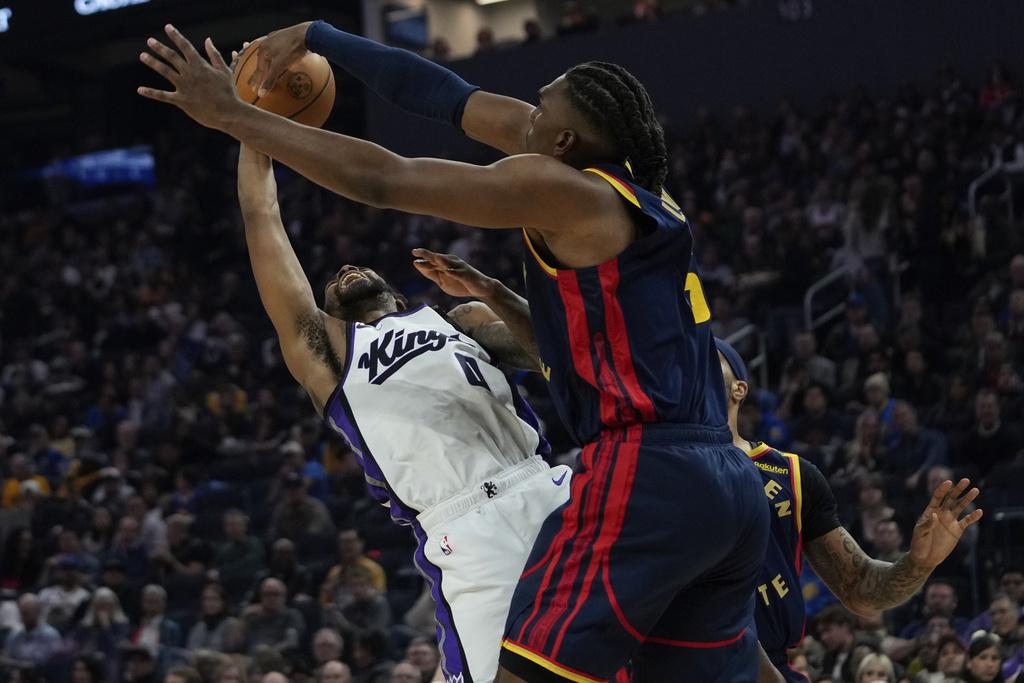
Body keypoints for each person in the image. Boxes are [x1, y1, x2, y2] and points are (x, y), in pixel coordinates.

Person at [139, 24, 769, 680]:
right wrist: (316, 35)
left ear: (565, 142)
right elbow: (445, 95)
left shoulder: (531, 232)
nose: (527, 112)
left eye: (542, 107)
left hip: (619, 476)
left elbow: (384, 178)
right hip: (685, 482)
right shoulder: (632, 189)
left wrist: (234, 114)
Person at [168, 131, 568, 683]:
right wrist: (252, 123)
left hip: (544, 487)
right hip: (463, 526)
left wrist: (493, 292)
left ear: (398, 297)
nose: (343, 269)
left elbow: (559, 350)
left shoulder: (456, 320)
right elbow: (262, 215)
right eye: (330, 282)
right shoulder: (329, 356)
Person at [712, 338, 983, 682]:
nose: (694, 364)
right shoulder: (658, 470)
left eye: (707, 357)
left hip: (768, 665)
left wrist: (918, 563)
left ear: (739, 388)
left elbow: (859, 589)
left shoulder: (792, 474)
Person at [1, 594, 61, 669]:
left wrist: (14, 663)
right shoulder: (16, 633)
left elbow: (41, 664)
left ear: (38, 612)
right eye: (21, 613)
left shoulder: (50, 635)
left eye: (26, 614)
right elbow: (6, 657)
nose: (23, 618)